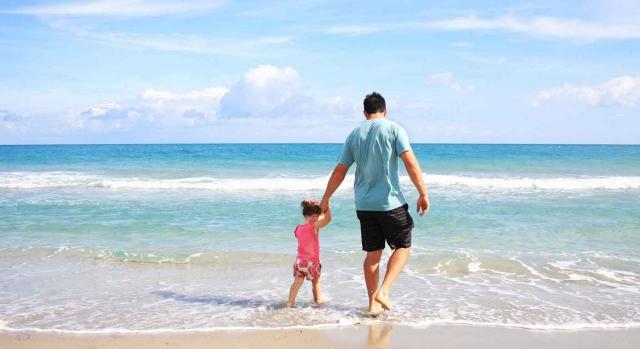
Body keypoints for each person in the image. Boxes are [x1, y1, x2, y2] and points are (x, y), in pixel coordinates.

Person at [320, 91, 430, 316]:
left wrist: (326, 197)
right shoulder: (393, 128)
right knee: (403, 246)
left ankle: (373, 304)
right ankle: (384, 291)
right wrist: (423, 193)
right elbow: (410, 162)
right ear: (385, 110)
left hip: (364, 204)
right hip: (389, 203)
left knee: (373, 254)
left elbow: (341, 170)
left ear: (365, 112)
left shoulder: (354, 134)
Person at [287, 199, 332, 308]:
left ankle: (290, 303)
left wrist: (318, 211)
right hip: (312, 263)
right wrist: (327, 206)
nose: (318, 218)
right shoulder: (314, 226)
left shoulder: (298, 228)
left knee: (297, 282)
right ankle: (318, 301)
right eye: (317, 215)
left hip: (300, 262)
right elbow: (328, 219)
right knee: (316, 282)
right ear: (314, 216)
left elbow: (316, 221)